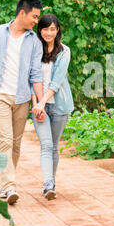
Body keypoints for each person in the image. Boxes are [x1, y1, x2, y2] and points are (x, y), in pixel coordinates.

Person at [0, 0, 46, 205]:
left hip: (22, 98)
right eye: (34, 16)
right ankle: (10, 186)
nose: (36, 21)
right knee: (5, 140)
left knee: (15, 143)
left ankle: (5, 185)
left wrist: (39, 103)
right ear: (22, 13)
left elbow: (36, 75)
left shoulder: (34, 41)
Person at [31, 13, 74, 200]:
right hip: (38, 106)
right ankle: (48, 183)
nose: (49, 32)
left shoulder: (64, 51)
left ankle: (51, 183)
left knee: (54, 146)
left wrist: (42, 102)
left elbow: (56, 82)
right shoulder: (34, 50)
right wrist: (36, 105)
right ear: (39, 30)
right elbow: (31, 78)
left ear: (57, 31)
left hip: (58, 105)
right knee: (46, 145)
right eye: (45, 28)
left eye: (53, 29)